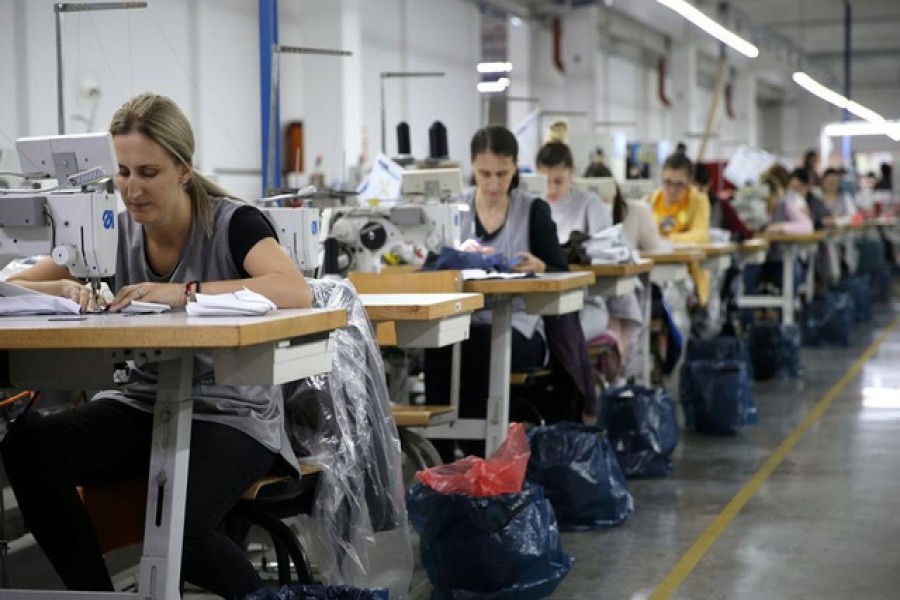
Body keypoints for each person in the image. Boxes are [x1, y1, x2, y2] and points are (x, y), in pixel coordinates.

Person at [1, 92, 311, 598]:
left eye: (148, 173)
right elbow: (13, 288)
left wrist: (183, 293)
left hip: (232, 413)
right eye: (122, 173)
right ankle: (93, 593)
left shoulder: (234, 224)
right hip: (143, 402)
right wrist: (57, 287)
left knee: (180, 535)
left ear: (184, 170)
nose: (131, 189)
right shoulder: (109, 230)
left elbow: (291, 288)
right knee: (29, 446)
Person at [424, 126, 573, 457]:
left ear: (516, 167)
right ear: (471, 167)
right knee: (436, 345)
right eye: (484, 174)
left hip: (520, 327)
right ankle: (440, 461)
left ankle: (481, 458)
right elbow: (430, 268)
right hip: (463, 323)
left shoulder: (533, 211)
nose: (493, 184)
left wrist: (541, 266)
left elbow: (562, 270)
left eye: (502, 174)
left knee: (477, 347)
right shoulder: (454, 210)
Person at [649, 152, 711, 304]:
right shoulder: (653, 199)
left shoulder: (698, 200)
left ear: (690, 182)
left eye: (679, 184)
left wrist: (667, 240)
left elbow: (700, 235)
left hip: (686, 271)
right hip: (654, 268)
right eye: (668, 182)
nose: (672, 189)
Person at [694, 163, 753, 241]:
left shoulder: (721, 206)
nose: (697, 196)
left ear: (709, 184)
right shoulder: (681, 207)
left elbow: (745, 234)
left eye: (700, 190)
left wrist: (726, 236)